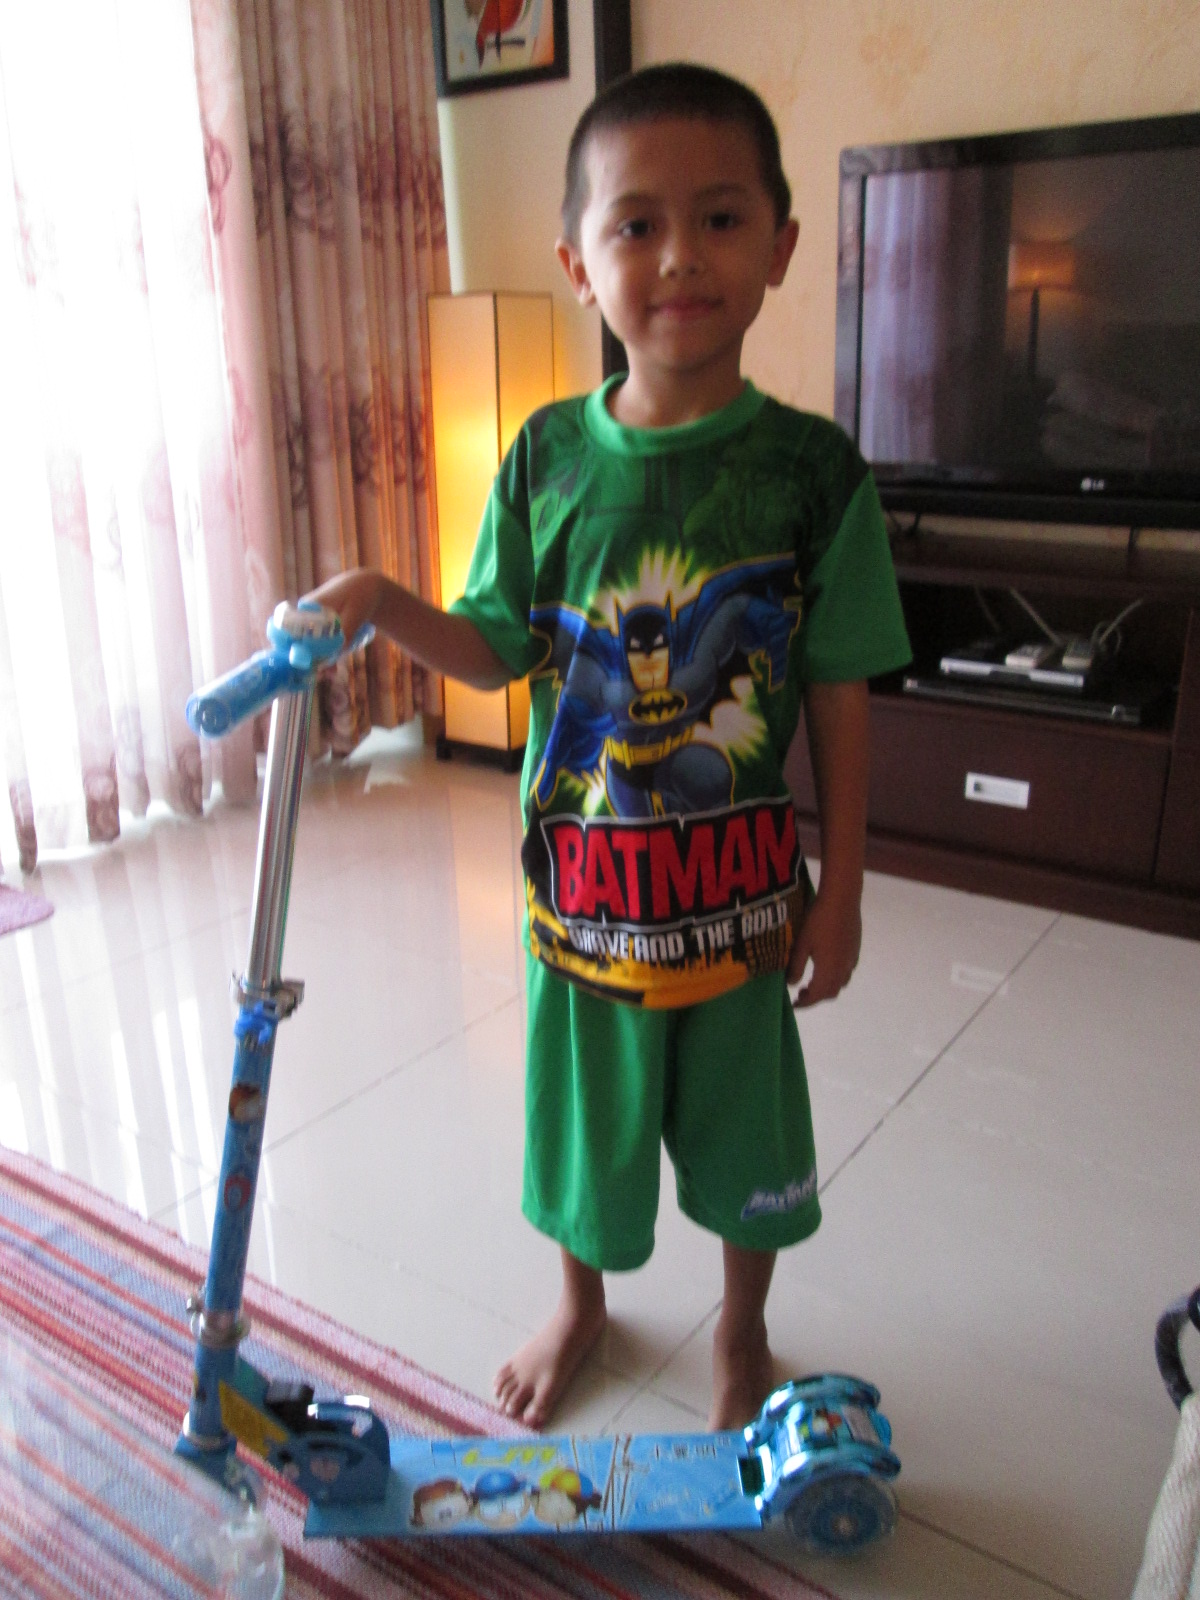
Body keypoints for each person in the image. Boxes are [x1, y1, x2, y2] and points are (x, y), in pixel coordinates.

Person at [308, 62, 911, 1432]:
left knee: (749, 1138)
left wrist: (846, 891)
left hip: (743, 910)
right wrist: (386, 601)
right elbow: (496, 649)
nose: (679, 255)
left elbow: (840, 688)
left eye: (719, 218)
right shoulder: (544, 460)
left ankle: (742, 1331)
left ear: (781, 248)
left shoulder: (815, 476)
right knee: (582, 1137)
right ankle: (580, 1301)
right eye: (637, 225)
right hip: (584, 908)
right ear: (580, 264)